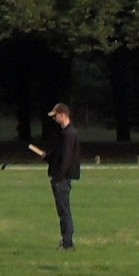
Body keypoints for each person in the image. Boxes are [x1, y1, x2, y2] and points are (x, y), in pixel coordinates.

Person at [30, 102, 81, 250]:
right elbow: (58, 154)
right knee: (62, 210)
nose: (54, 119)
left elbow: (66, 158)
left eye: (56, 116)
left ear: (63, 115)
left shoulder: (69, 134)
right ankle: (66, 241)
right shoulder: (65, 134)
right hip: (61, 178)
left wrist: (58, 177)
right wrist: (46, 156)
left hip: (62, 179)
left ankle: (67, 243)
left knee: (64, 211)